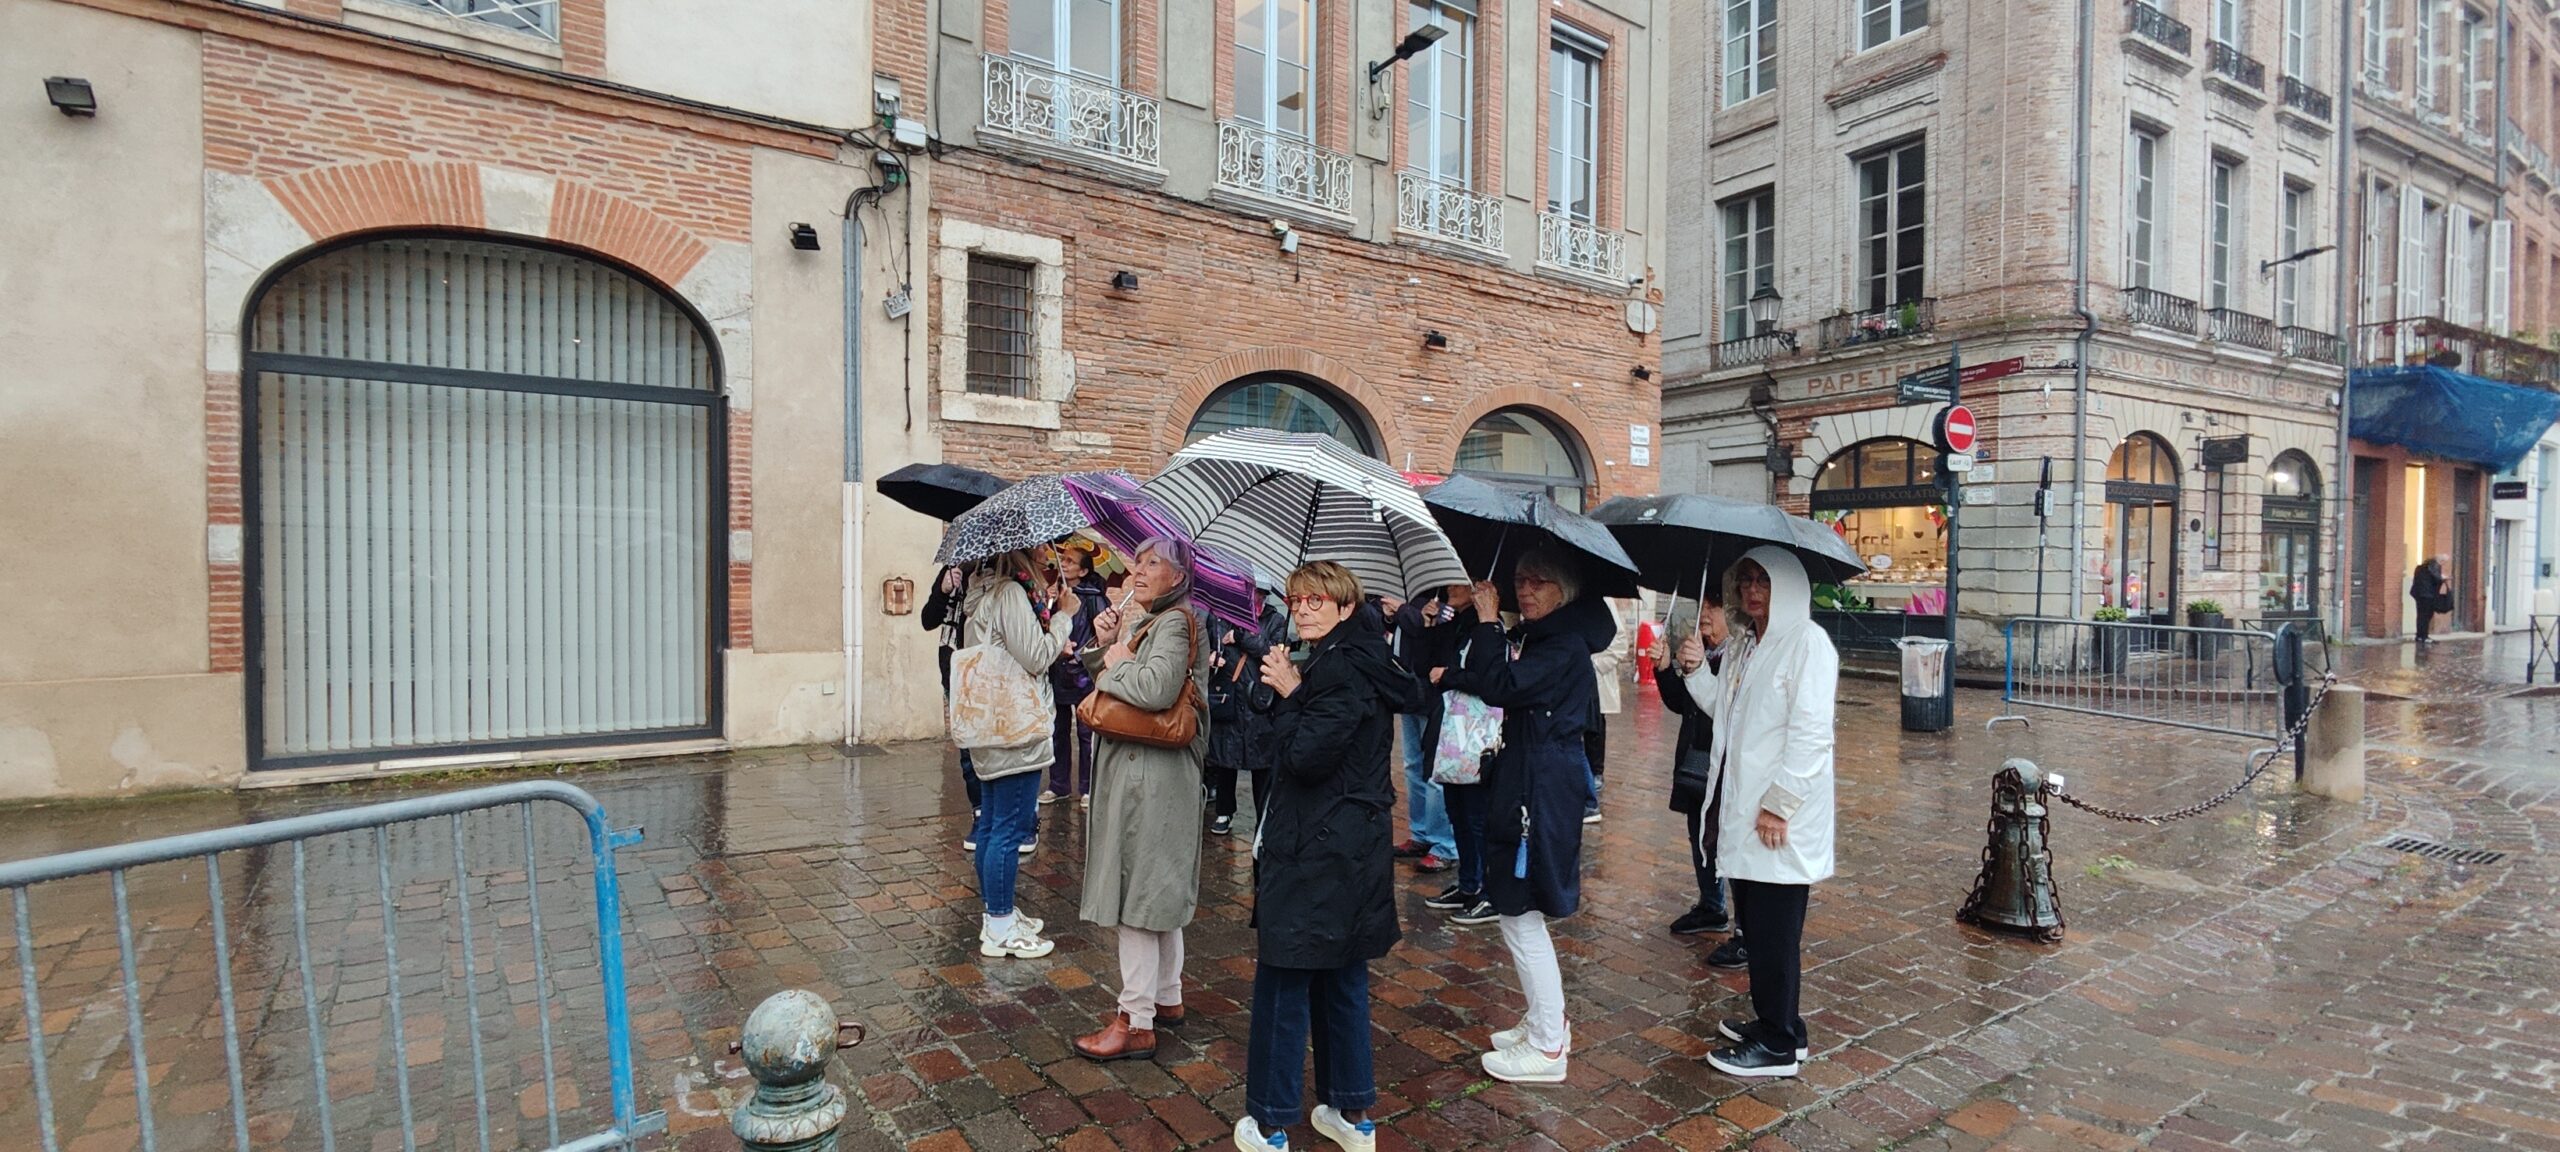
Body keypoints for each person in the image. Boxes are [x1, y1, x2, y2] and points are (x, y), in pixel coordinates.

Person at [1232, 562, 1409, 1152]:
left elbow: (1308, 756)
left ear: (1343, 607)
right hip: (1348, 846)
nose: (1303, 608)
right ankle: (1350, 1114)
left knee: (1286, 974)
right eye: (1296, 598)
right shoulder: (1345, 658)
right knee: (1340, 972)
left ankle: (1271, 1121)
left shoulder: (1341, 668)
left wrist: (1290, 694)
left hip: (1319, 846)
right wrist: (1288, 685)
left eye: (1316, 600)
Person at [1437, 546, 1615, 1084]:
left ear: (1563, 590)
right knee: (1519, 906)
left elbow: (1500, 687)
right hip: (1529, 776)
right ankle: (1545, 1019)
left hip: (1539, 785)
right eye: (1521, 581)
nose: (1525, 591)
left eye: (1538, 582)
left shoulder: (1561, 644)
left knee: (1519, 908)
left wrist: (1489, 622)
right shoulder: (1544, 637)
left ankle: (1546, 1047)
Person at [1676, 547, 1839, 1079]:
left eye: (1762, 582)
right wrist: (1698, 671)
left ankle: (1778, 1044)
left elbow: (1811, 734)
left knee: (1773, 931)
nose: (1751, 592)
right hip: (1745, 809)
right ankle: (1779, 1023)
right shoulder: (1747, 643)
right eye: (1744, 580)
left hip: (1777, 819)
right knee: (1756, 922)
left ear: (1786, 586)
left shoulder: (1808, 644)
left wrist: (1780, 804)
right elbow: (1725, 711)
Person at [1074, 536, 1214, 1062]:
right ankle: (1167, 996)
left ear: (1177, 577)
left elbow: (1154, 691)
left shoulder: (1175, 622)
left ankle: (1135, 1020)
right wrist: (1106, 641)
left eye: (1153, 563)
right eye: (1138, 560)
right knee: (1157, 888)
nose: (1139, 569)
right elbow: (1116, 691)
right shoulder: (1151, 619)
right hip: (1146, 771)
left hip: (1150, 775)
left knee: (1136, 895)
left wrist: (1114, 662)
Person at [956, 548, 1080, 960]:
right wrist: (1065, 616)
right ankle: (1000, 925)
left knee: (992, 825)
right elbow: (1037, 657)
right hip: (1014, 731)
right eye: (1043, 547)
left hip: (992, 727)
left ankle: (998, 916)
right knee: (1008, 829)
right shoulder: (1010, 593)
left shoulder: (986, 590)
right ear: (1022, 551)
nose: (1048, 554)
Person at [1652, 596, 1737, 949]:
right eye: (1702, 605)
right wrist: (1665, 667)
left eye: (1713, 607)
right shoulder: (1704, 650)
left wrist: (1699, 669)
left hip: (1726, 766)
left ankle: (1744, 926)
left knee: (1726, 839)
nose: (1704, 614)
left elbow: (1725, 709)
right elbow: (1681, 703)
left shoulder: (1737, 656)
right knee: (1699, 834)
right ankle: (1711, 905)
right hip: (1695, 763)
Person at [1414, 583, 1498, 926]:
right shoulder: (1458, 624)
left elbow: (1491, 679)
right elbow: (1425, 665)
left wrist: (1450, 675)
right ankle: (1467, 883)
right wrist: (1430, 626)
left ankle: (1485, 889)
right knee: (1458, 813)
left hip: (1474, 737)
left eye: (1457, 582)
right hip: (1450, 735)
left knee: (1477, 817)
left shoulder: (1491, 630)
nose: (1449, 588)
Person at [1207, 591, 1290, 835]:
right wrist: (1211, 656)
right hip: (1228, 695)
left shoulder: (1276, 621)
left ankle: (1263, 817)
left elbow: (1270, 652)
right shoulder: (1222, 616)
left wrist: (1242, 636)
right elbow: (1210, 644)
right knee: (1225, 759)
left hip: (1259, 699)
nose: (1253, 599)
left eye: (1258, 594)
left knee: (1261, 762)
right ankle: (1224, 811)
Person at [1388, 594, 1457, 872]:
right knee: (1413, 766)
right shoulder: (1414, 591)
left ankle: (1444, 843)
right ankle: (1421, 833)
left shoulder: (1445, 602)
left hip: (1434, 695)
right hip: (1409, 689)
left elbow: (1432, 636)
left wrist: (1405, 611)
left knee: (1435, 771)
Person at [1046, 542, 1110, 805]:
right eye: (1064, 560)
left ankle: (1087, 787)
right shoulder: (1056, 595)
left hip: (1083, 674)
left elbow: (1103, 636)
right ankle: (1058, 785)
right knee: (1057, 731)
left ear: (1083, 571)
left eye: (1071, 561)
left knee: (1086, 733)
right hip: (1058, 672)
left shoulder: (1095, 597)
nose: (1065, 564)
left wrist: (1082, 655)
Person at [1582, 598, 1636, 823]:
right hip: (1574, 677)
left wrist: (1593, 663)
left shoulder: (1605, 603)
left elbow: (1620, 642)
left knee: (1595, 726)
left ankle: (1595, 773)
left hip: (1594, 675)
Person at [2410, 556, 2451, 643]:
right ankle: (2424, 636)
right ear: (2440, 560)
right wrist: (2443, 579)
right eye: (2443, 562)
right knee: (2427, 616)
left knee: (2421, 616)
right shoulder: (2434, 567)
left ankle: (2419, 636)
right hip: (2428, 596)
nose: (2443, 564)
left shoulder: (2419, 568)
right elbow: (2436, 580)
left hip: (2419, 595)